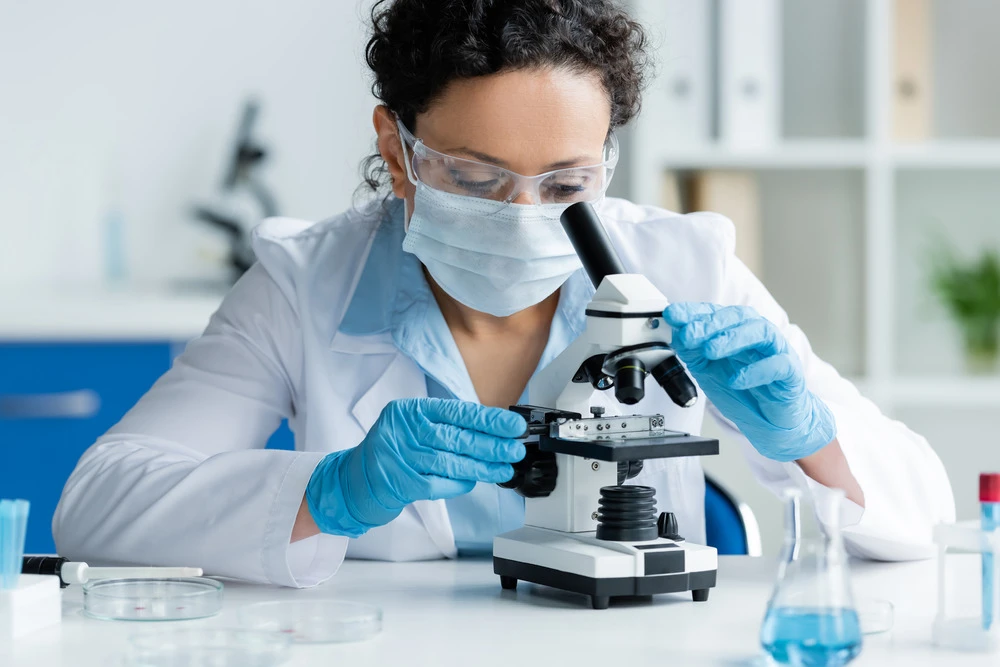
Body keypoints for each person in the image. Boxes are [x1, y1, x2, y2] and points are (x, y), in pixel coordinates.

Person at [54, 0, 954, 587]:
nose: (523, 216)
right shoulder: (304, 283)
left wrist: (811, 436)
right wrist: (327, 490)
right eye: (479, 180)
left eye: (565, 184)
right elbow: (97, 504)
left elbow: (925, 510)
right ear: (398, 148)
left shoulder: (680, 263)